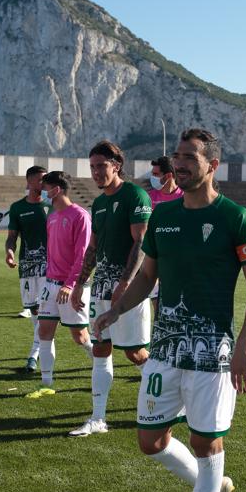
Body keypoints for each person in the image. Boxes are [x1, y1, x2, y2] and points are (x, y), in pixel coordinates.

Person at [94, 128, 246, 492]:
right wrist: (116, 310)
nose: (180, 163)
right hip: (165, 352)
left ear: (212, 165)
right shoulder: (164, 218)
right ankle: (212, 490)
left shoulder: (236, 218)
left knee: (205, 444)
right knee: (150, 441)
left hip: (213, 355)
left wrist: (245, 345)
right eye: (177, 156)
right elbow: (146, 277)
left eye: (190, 156)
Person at [69, 140, 152, 437]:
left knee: (135, 353)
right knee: (101, 349)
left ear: (116, 165)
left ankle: (170, 401)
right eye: (92, 167)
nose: (95, 172)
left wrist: (125, 283)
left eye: (101, 166)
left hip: (129, 288)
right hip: (101, 287)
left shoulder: (135, 195)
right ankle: (98, 418)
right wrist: (81, 283)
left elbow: (140, 242)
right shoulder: (100, 203)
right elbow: (93, 247)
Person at [36, 171, 93, 387]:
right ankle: (46, 384)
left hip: (71, 287)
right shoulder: (51, 217)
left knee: (79, 337)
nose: (42, 193)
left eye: (45, 188)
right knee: (44, 330)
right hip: (50, 285)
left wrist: (70, 284)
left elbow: (84, 255)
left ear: (56, 190)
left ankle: (101, 362)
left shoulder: (80, 216)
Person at [5, 166, 47, 372]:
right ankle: (39, 347)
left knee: (47, 313)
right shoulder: (18, 208)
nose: (44, 183)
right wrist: (10, 252)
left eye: (46, 180)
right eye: (40, 180)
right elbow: (12, 237)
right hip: (28, 268)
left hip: (51, 269)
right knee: (35, 310)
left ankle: (35, 352)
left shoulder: (52, 206)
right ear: (29, 182)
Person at [147, 155, 183, 314]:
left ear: (168, 176)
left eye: (156, 175)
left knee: (175, 310)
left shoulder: (184, 198)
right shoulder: (149, 197)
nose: (152, 178)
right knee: (157, 310)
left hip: (177, 264)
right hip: (154, 261)